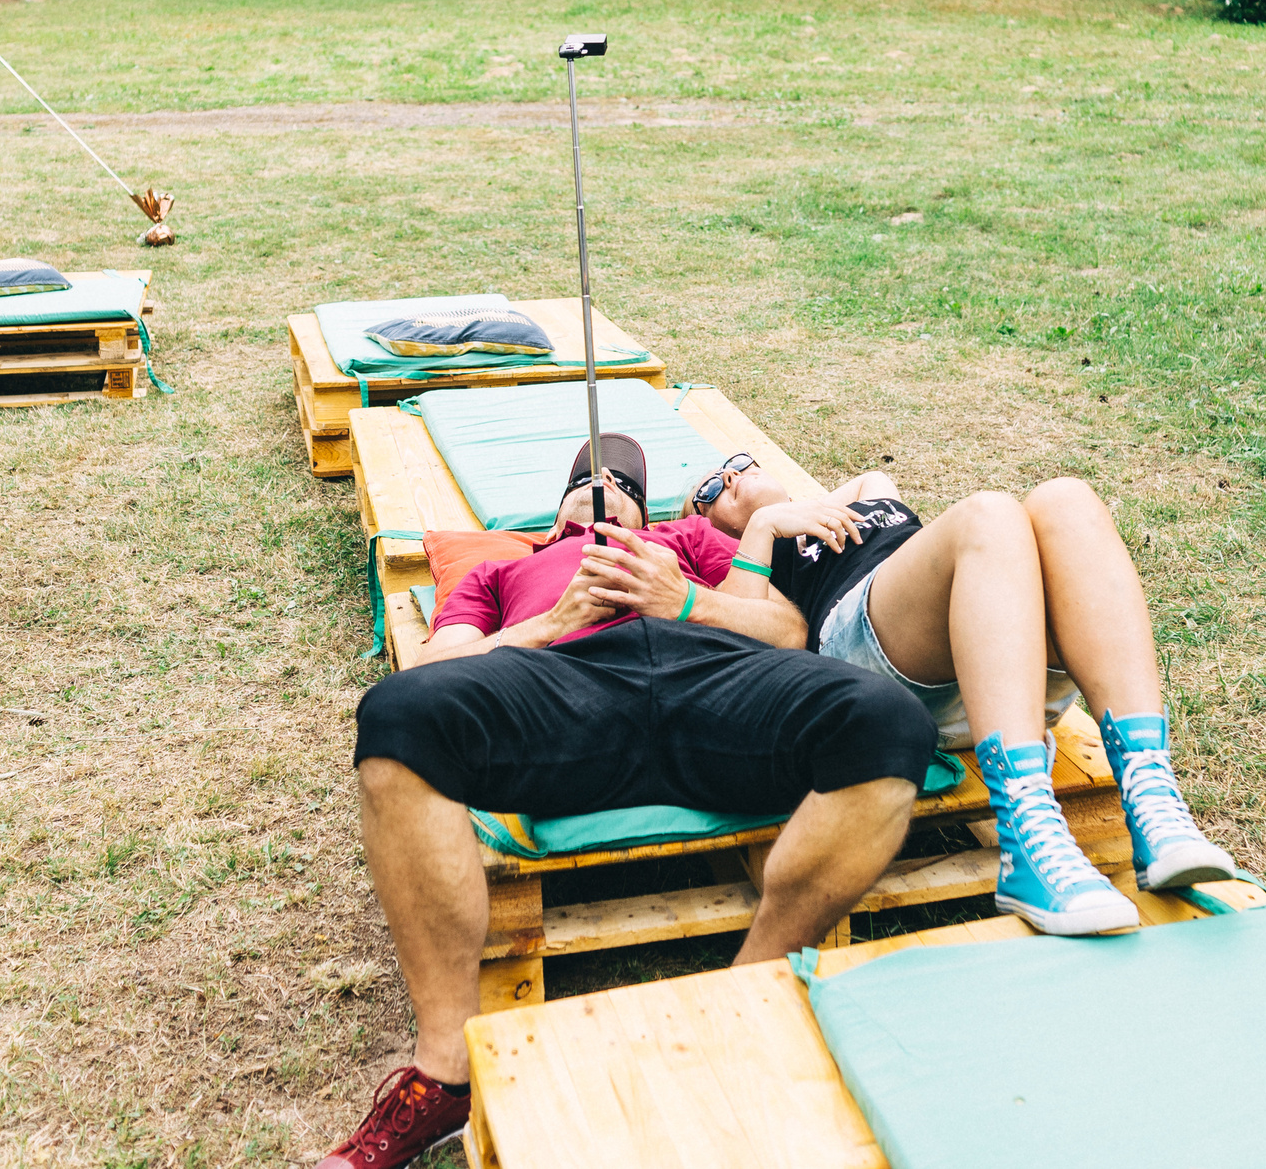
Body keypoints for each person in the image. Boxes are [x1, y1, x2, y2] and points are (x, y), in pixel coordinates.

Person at [320, 435, 938, 1169]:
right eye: (587, 478)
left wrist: (685, 597)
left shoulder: (691, 539)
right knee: (398, 714)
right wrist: (552, 622)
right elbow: (436, 665)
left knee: (890, 721)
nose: (604, 483)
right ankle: (446, 1068)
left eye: (623, 480)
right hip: (560, 688)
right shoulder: (500, 570)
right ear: (554, 517)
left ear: (647, 510)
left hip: (716, 681)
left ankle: (752, 993)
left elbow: (789, 631)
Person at [687, 454, 1236, 941]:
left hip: (999, 664)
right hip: (868, 667)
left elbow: (869, 479)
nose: (729, 476)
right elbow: (735, 638)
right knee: (989, 513)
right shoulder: (741, 553)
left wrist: (804, 508)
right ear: (703, 521)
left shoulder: (847, 504)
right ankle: (1026, 837)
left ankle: (1155, 805)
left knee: (1066, 498)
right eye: (711, 490)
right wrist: (761, 527)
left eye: (737, 464)